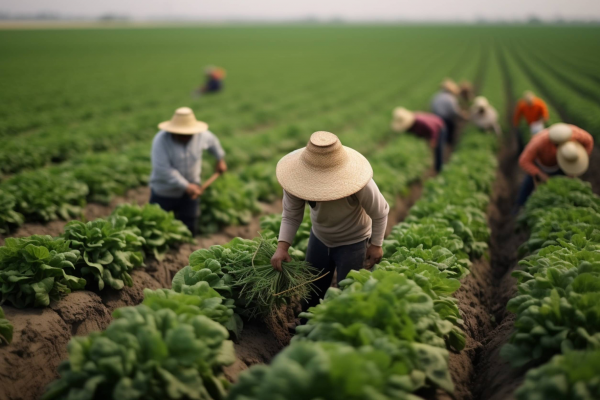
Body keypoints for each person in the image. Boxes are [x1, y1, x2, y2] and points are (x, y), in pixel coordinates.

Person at [271, 131, 389, 315]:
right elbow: (291, 215)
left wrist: (376, 245)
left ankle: (341, 333)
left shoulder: (359, 182)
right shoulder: (296, 181)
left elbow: (380, 212)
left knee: (348, 293)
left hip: (354, 241)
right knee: (312, 289)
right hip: (319, 237)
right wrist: (282, 247)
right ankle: (306, 324)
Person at [149, 107, 227, 235]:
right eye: (181, 134)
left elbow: (213, 142)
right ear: (173, 131)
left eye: (188, 134)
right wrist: (186, 186)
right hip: (164, 192)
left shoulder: (202, 136)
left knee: (189, 225)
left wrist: (220, 159)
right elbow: (163, 169)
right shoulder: (161, 140)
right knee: (157, 228)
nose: (186, 137)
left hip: (191, 191)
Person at [516, 123, 593, 208]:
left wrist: (582, 157)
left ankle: (567, 205)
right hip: (543, 165)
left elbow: (589, 141)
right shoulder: (539, 141)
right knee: (528, 185)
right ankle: (519, 206)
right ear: (554, 143)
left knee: (567, 187)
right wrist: (540, 174)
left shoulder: (577, 134)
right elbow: (523, 161)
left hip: (562, 165)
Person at [391, 107, 447, 172]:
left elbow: (433, 129)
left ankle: (439, 169)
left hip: (439, 128)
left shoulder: (419, 121)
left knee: (438, 149)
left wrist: (433, 140)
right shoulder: (410, 128)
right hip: (429, 133)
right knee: (432, 150)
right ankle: (436, 167)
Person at [430, 78, 468, 145]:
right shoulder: (451, 98)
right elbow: (454, 112)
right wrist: (463, 115)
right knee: (448, 136)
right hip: (445, 120)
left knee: (438, 137)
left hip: (435, 118)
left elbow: (431, 106)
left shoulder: (437, 95)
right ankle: (448, 146)